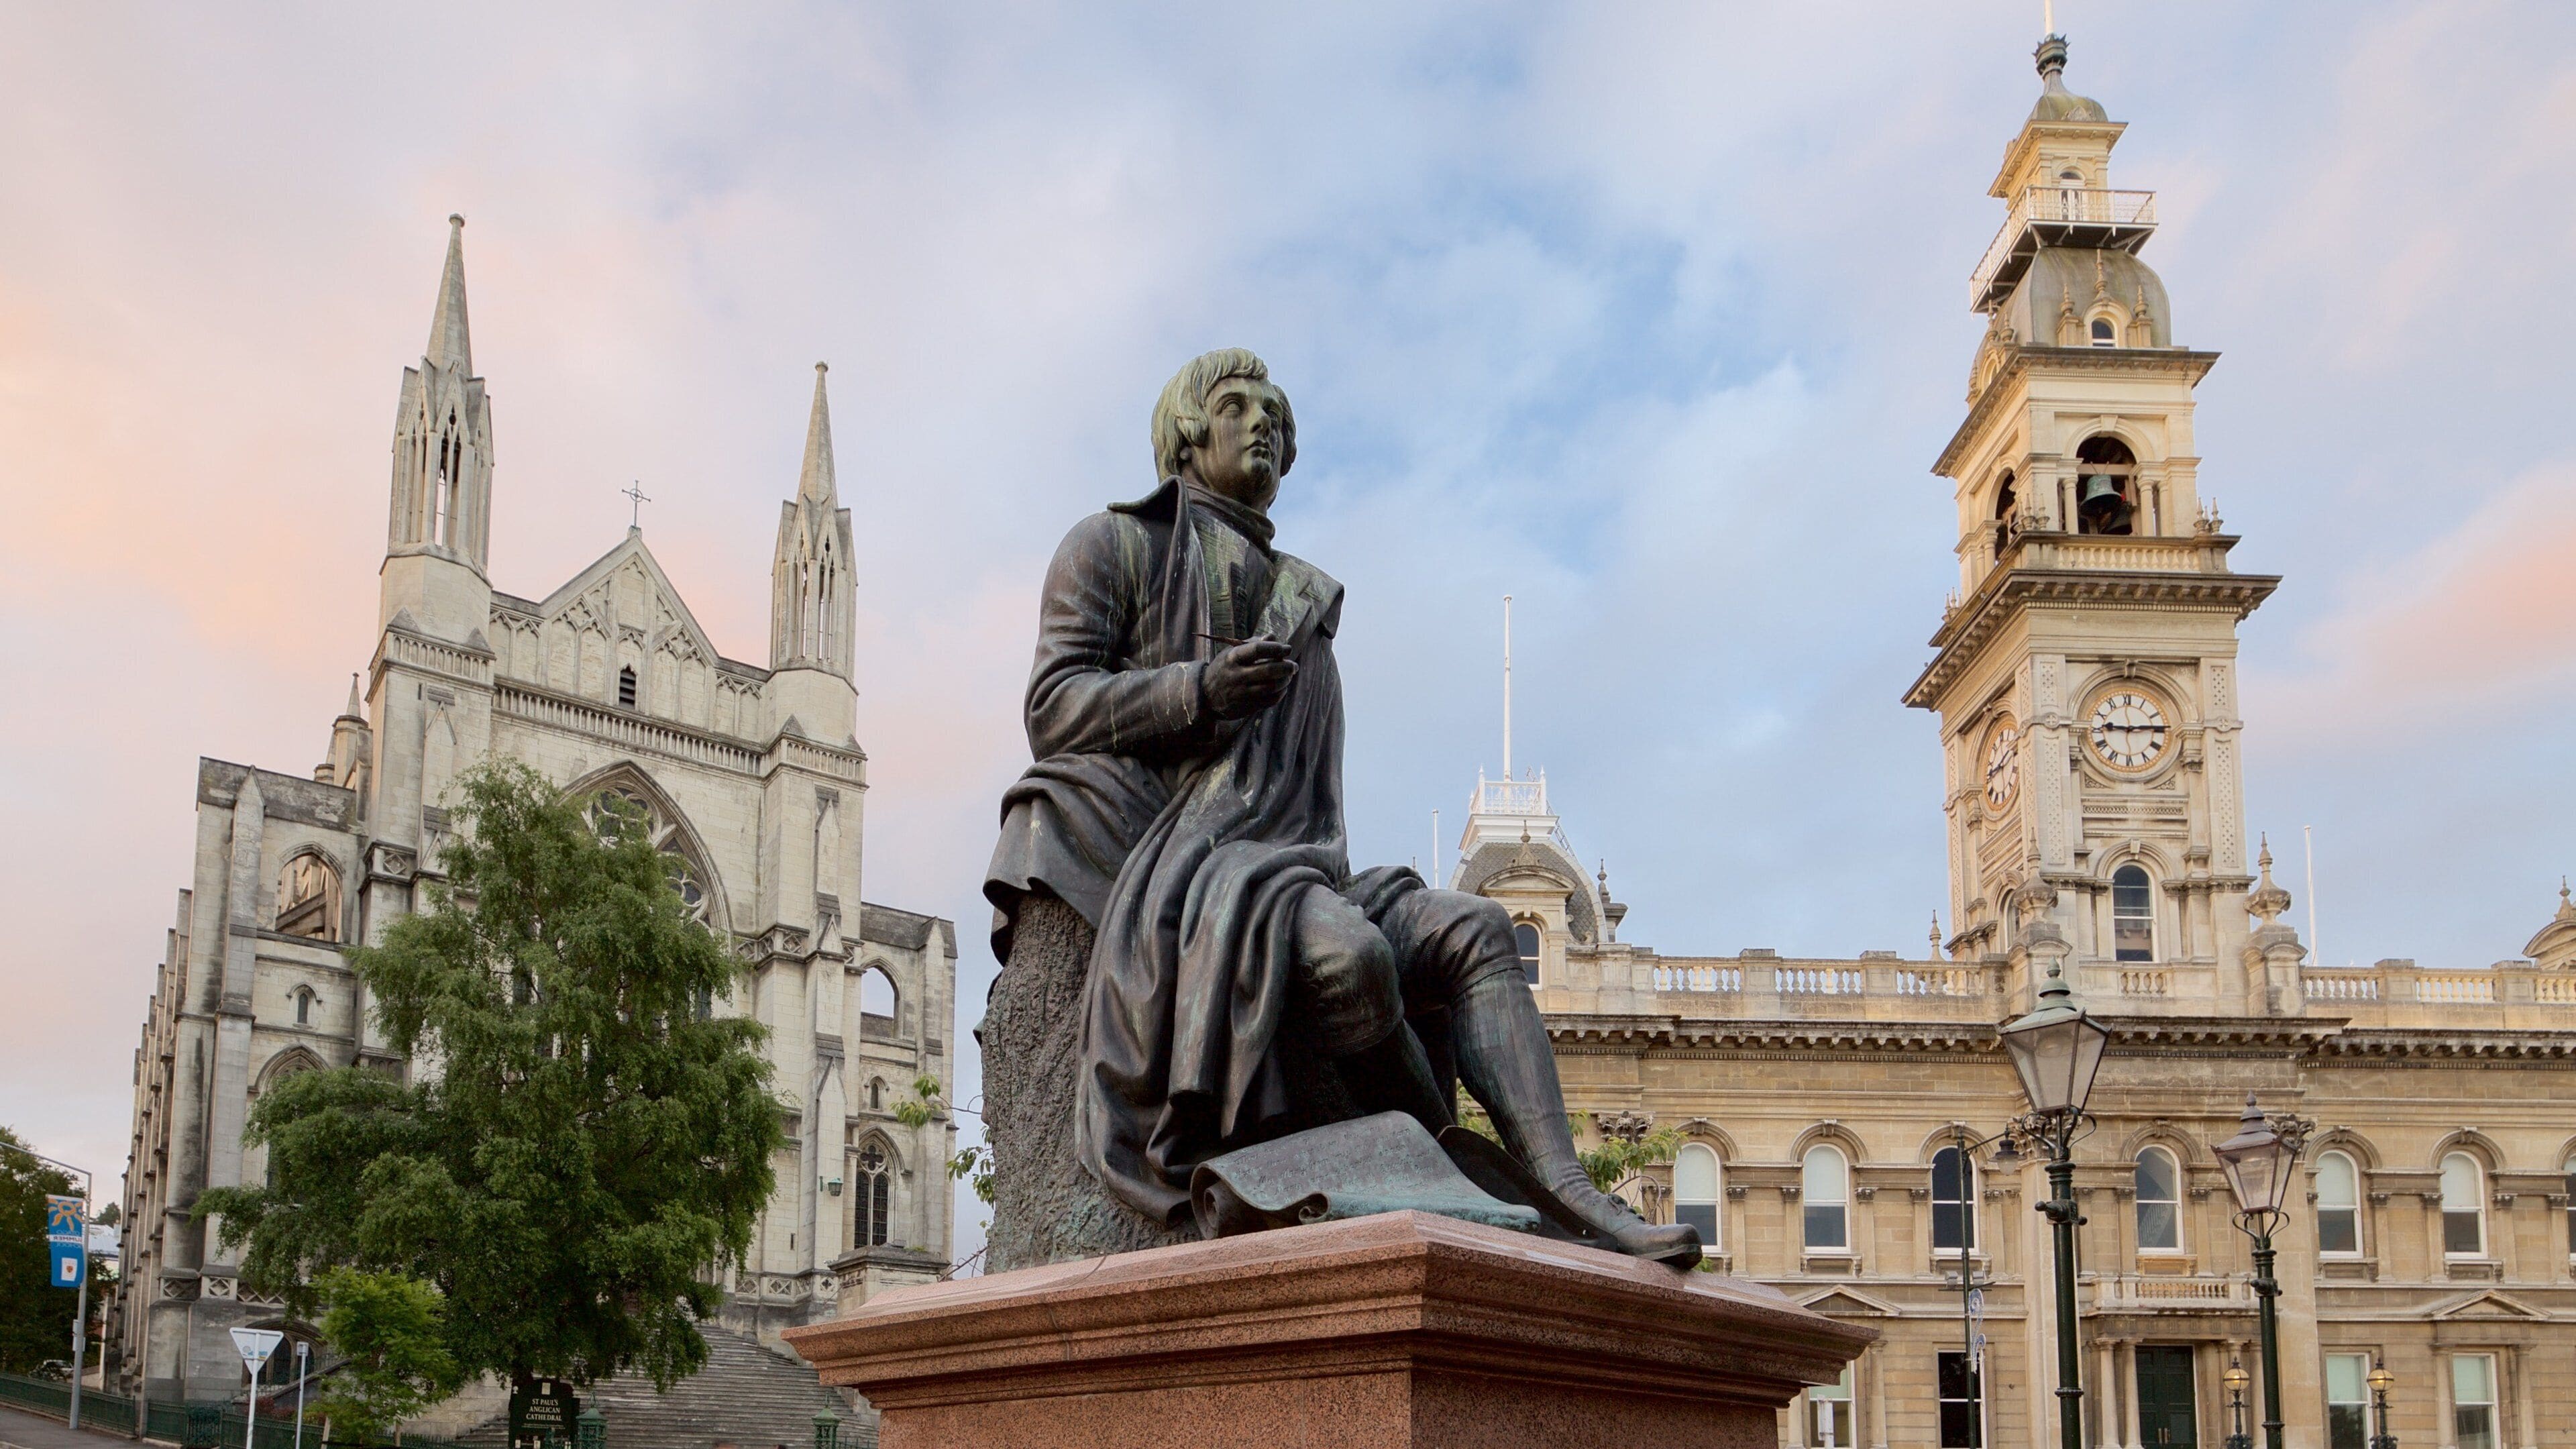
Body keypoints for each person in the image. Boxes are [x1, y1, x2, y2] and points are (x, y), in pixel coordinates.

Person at [985, 349, 1697, 1263]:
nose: (1264, 424)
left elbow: (1310, 804)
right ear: (1187, 433)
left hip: (1298, 863)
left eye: (1277, 412)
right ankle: (1435, 1159)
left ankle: (1565, 1193)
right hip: (1188, 871)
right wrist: (1200, 690)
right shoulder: (1114, 545)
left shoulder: (1304, 600)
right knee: (1352, 959)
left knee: (1475, 930)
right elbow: (1054, 706)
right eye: (1238, 406)